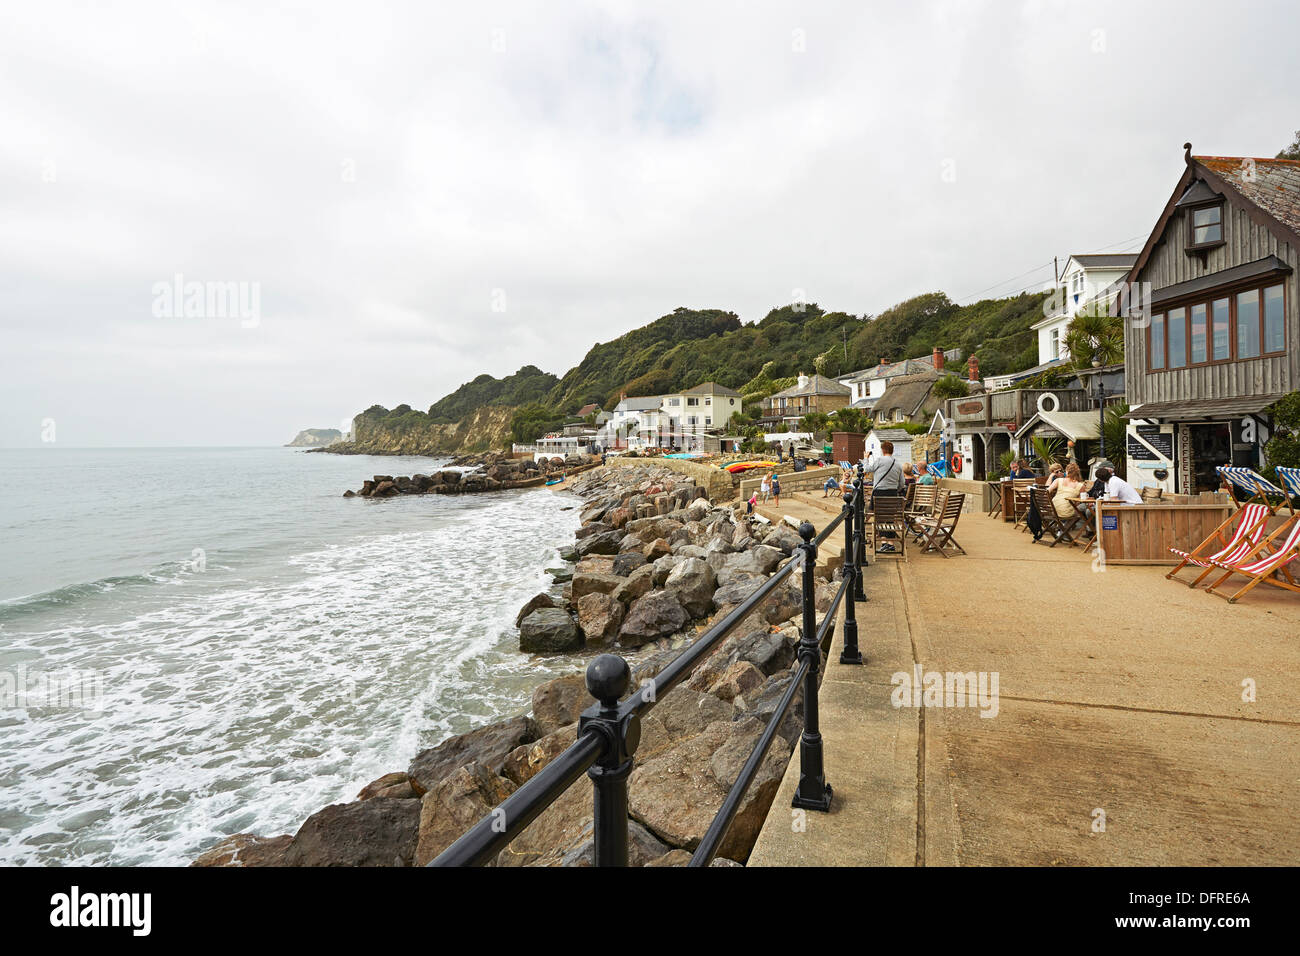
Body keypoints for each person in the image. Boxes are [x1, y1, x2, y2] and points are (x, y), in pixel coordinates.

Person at [864, 441, 905, 551]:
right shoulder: (898, 463)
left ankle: (883, 543)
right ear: (892, 451)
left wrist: (866, 458)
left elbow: (867, 469)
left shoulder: (880, 460)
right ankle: (891, 543)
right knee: (890, 518)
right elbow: (902, 483)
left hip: (879, 493)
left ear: (883, 450)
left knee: (880, 518)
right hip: (892, 493)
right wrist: (894, 489)